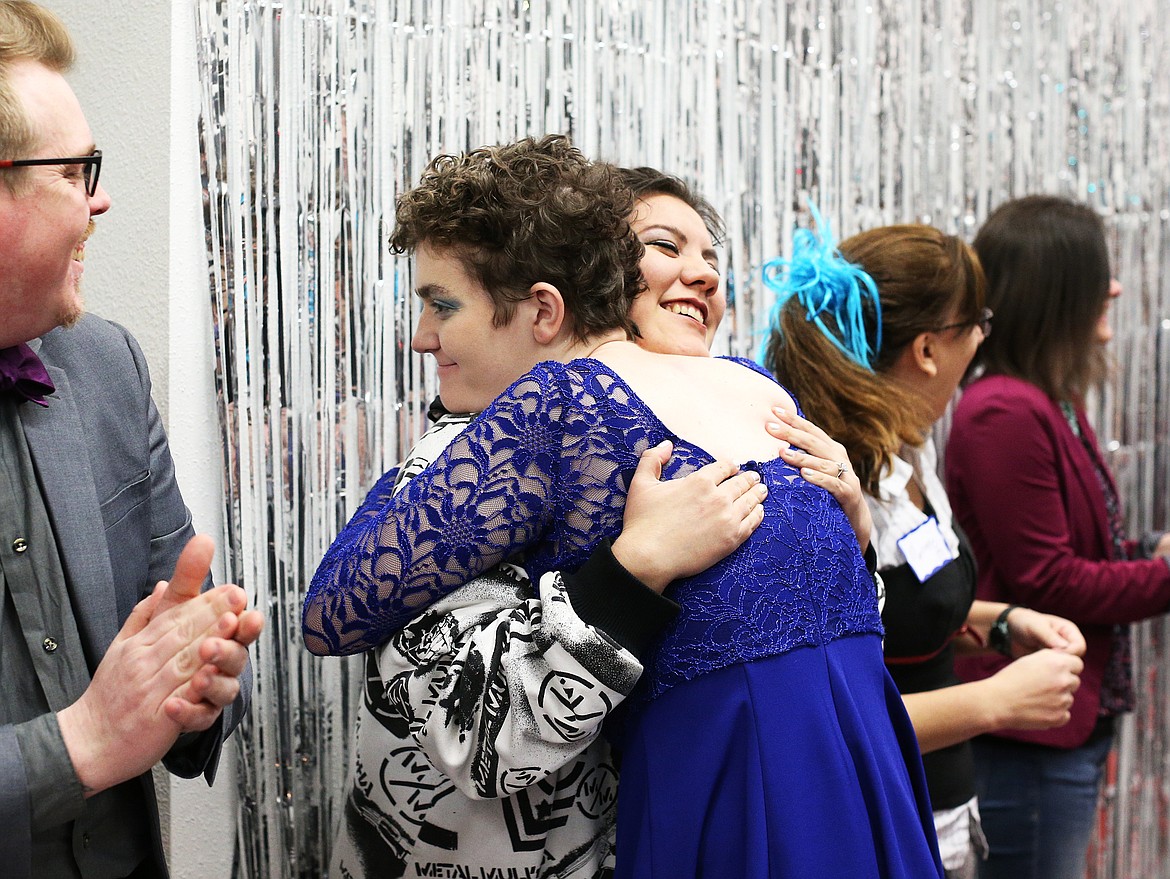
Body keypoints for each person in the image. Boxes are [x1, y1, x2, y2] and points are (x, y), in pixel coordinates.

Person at [304, 136, 942, 877]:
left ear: (548, 304)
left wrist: (856, 535)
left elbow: (329, 611)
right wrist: (633, 564)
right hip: (779, 778)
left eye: (441, 305)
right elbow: (342, 618)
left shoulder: (716, 387)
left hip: (823, 763)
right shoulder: (702, 393)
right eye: (663, 246)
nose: (698, 274)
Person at [0, 3, 263, 876]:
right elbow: (99, 732)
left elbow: (181, 618)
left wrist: (197, 681)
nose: (101, 197)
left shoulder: (106, 365)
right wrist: (80, 741)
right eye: (77, 170)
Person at [764, 216, 1086, 879]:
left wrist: (998, 623)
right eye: (978, 324)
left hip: (944, 813)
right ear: (930, 349)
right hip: (877, 827)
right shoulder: (826, 485)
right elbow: (825, 716)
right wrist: (996, 701)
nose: (983, 341)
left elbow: (898, 617)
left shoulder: (908, 450)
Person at [944, 194, 1170, 879]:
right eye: (1100, 273)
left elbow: (1074, 552)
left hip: (1064, 722)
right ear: (1056, 292)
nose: (1116, 287)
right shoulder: (1004, 411)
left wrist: (1143, 556)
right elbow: (1050, 581)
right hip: (1028, 738)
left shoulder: (1049, 400)